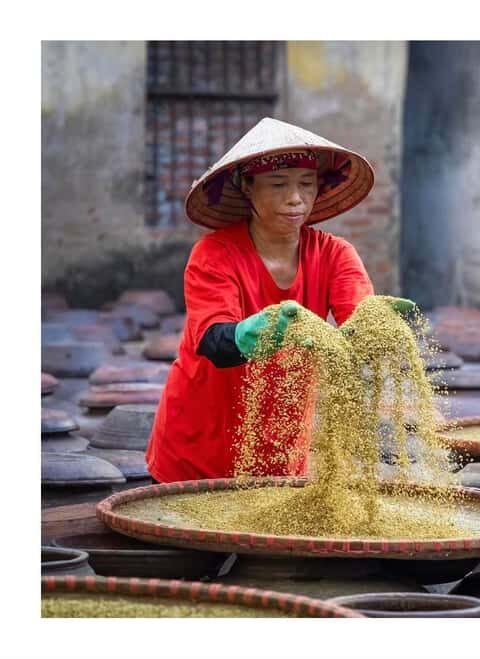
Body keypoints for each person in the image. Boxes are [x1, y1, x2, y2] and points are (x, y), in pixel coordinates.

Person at [146, 117, 412, 483]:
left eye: (306, 184)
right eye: (277, 184)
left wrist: (375, 326)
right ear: (247, 188)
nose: (295, 199)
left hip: (281, 442)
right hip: (202, 441)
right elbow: (213, 340)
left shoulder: (334, 254)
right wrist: (247, 334)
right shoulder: (215, 254)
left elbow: (358, 314)